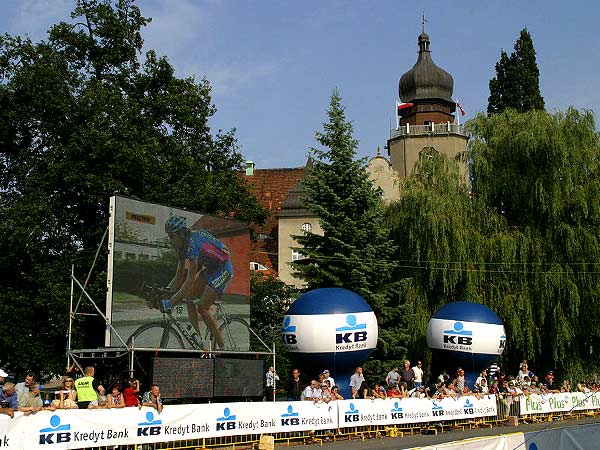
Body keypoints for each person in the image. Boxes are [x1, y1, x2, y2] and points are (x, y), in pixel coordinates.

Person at [161, 216, 233, 350]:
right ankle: (199, 341)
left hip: (223, 268)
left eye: (172, 236)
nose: (170, 240)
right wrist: (165, 292)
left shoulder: (192, 245)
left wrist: (172, 302)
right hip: (210, 266)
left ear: (182, 234)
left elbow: (189, 280)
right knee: (189, 298)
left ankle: (223, 347)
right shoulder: (181, 246)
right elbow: (179, 276)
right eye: (168, 236)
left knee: (202, 307)